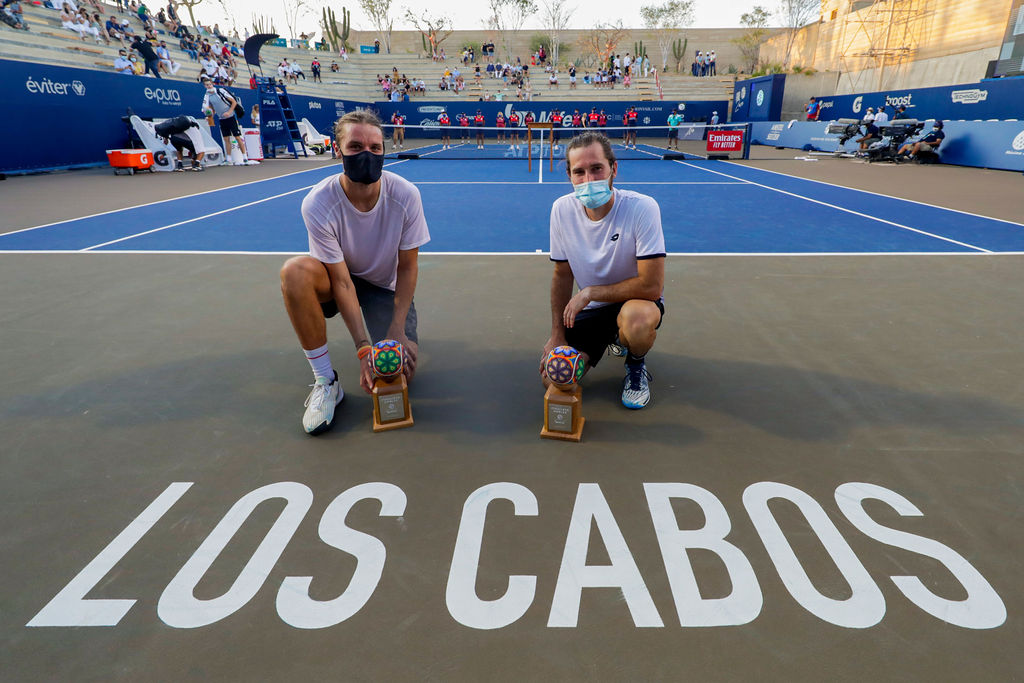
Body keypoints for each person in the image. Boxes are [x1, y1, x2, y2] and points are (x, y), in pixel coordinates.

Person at [279, 109, 430, 435]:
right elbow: (342, 281)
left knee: (401, 368)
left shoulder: (406, 195)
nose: (367, 155)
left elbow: (408, 267)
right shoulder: (318, 202)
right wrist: (363, 349)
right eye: (356, 147)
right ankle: (326, 381)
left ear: (384, 151)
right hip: (338, 280)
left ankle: (391, 334)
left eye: (375, 148)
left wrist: (397, 329)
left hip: (384, 285)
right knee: (295, 272)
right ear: (339, 150)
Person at [541, 132, 666, 409]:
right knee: (555, 378)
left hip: (636, 302)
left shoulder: (642, 208)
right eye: (579, 172)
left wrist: (590, 292)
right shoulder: (561, 210)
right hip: (594, 310)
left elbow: (651, 287)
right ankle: (613, 338)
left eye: (597, 168)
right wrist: (558, 335)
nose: (589, 179)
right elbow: (562, 275)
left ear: (613, 169)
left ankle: (635, 363)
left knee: (636, 321)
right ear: (569, 176)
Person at [200, 76, 254, 164]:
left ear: (212, 84)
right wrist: (210, 116)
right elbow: (213, 109)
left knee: (237, 137)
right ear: (204, 86)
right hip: (222, 119)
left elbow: (234, 102)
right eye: (207, 85)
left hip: (231, 117)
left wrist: (229, 112)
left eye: (210, 84)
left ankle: (245, 157)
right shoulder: (207, 96)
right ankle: (228, 159)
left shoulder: (220, 91)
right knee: (226, 139)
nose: (209, 86)